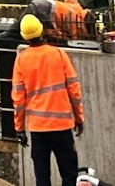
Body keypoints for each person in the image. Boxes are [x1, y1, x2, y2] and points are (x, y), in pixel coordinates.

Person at [12, 14, 85, 186]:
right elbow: (74, 91)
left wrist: (20, 129)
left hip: (38, 130)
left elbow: (18, 100)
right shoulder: (58, 54)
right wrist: (79, 118)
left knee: (42, 177)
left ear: (24, 36)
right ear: (42, 32)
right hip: (62, 128)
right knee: (69, 174)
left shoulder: (21, 60)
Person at [0, 0, 59, 77]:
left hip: (39, 8)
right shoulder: (71, 16)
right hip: (41, 11)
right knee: (13, 35)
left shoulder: (70, 10)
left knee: (12, 34)